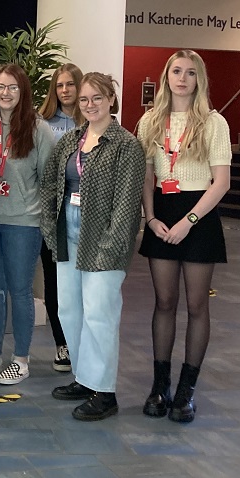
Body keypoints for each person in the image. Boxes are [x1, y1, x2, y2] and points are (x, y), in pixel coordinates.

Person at [40, 72, 145, 421]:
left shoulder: (126, 145)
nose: (90, 105)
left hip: (103, 243)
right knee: (70, 310)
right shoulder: (71, 140)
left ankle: (105, 392)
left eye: (97, 98)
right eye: (84, 100)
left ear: (111, 100)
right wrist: (48, 227)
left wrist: (112, 247)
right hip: (67, 238)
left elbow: (128, 204)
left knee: (100, 315)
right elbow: (51, 184)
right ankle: (84, 378)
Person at [137, 50, 231, 423]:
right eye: (176, 71)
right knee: (164, 302)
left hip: (199, 215)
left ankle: (186, 392)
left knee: (196, 306)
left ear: (199, 80)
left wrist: (189, 220)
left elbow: (221, 182)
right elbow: (146, 177)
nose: (182, 78)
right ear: (166, 77)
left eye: (190, 73)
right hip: (163, 212)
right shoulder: (149, 121)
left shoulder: (213, 122)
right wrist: (152, 217)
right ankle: (160, 386)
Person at [0, 64, 54, 385]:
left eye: (13, 88)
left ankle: (21, 359)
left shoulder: (38, 130)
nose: (5, 93)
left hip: (23, 223)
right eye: (0, 87)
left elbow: (49, 180)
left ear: (23, 92)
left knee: (20, 292)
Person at [37, 63, 84, 373]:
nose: (65, 90)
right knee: (55, 282)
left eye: (70, 84)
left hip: (83, 213)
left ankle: (83, 342)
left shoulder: (94, 121)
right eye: (59, 85)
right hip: (51, 212)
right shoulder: (42, 123)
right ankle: (62, 343)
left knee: (81, 283)